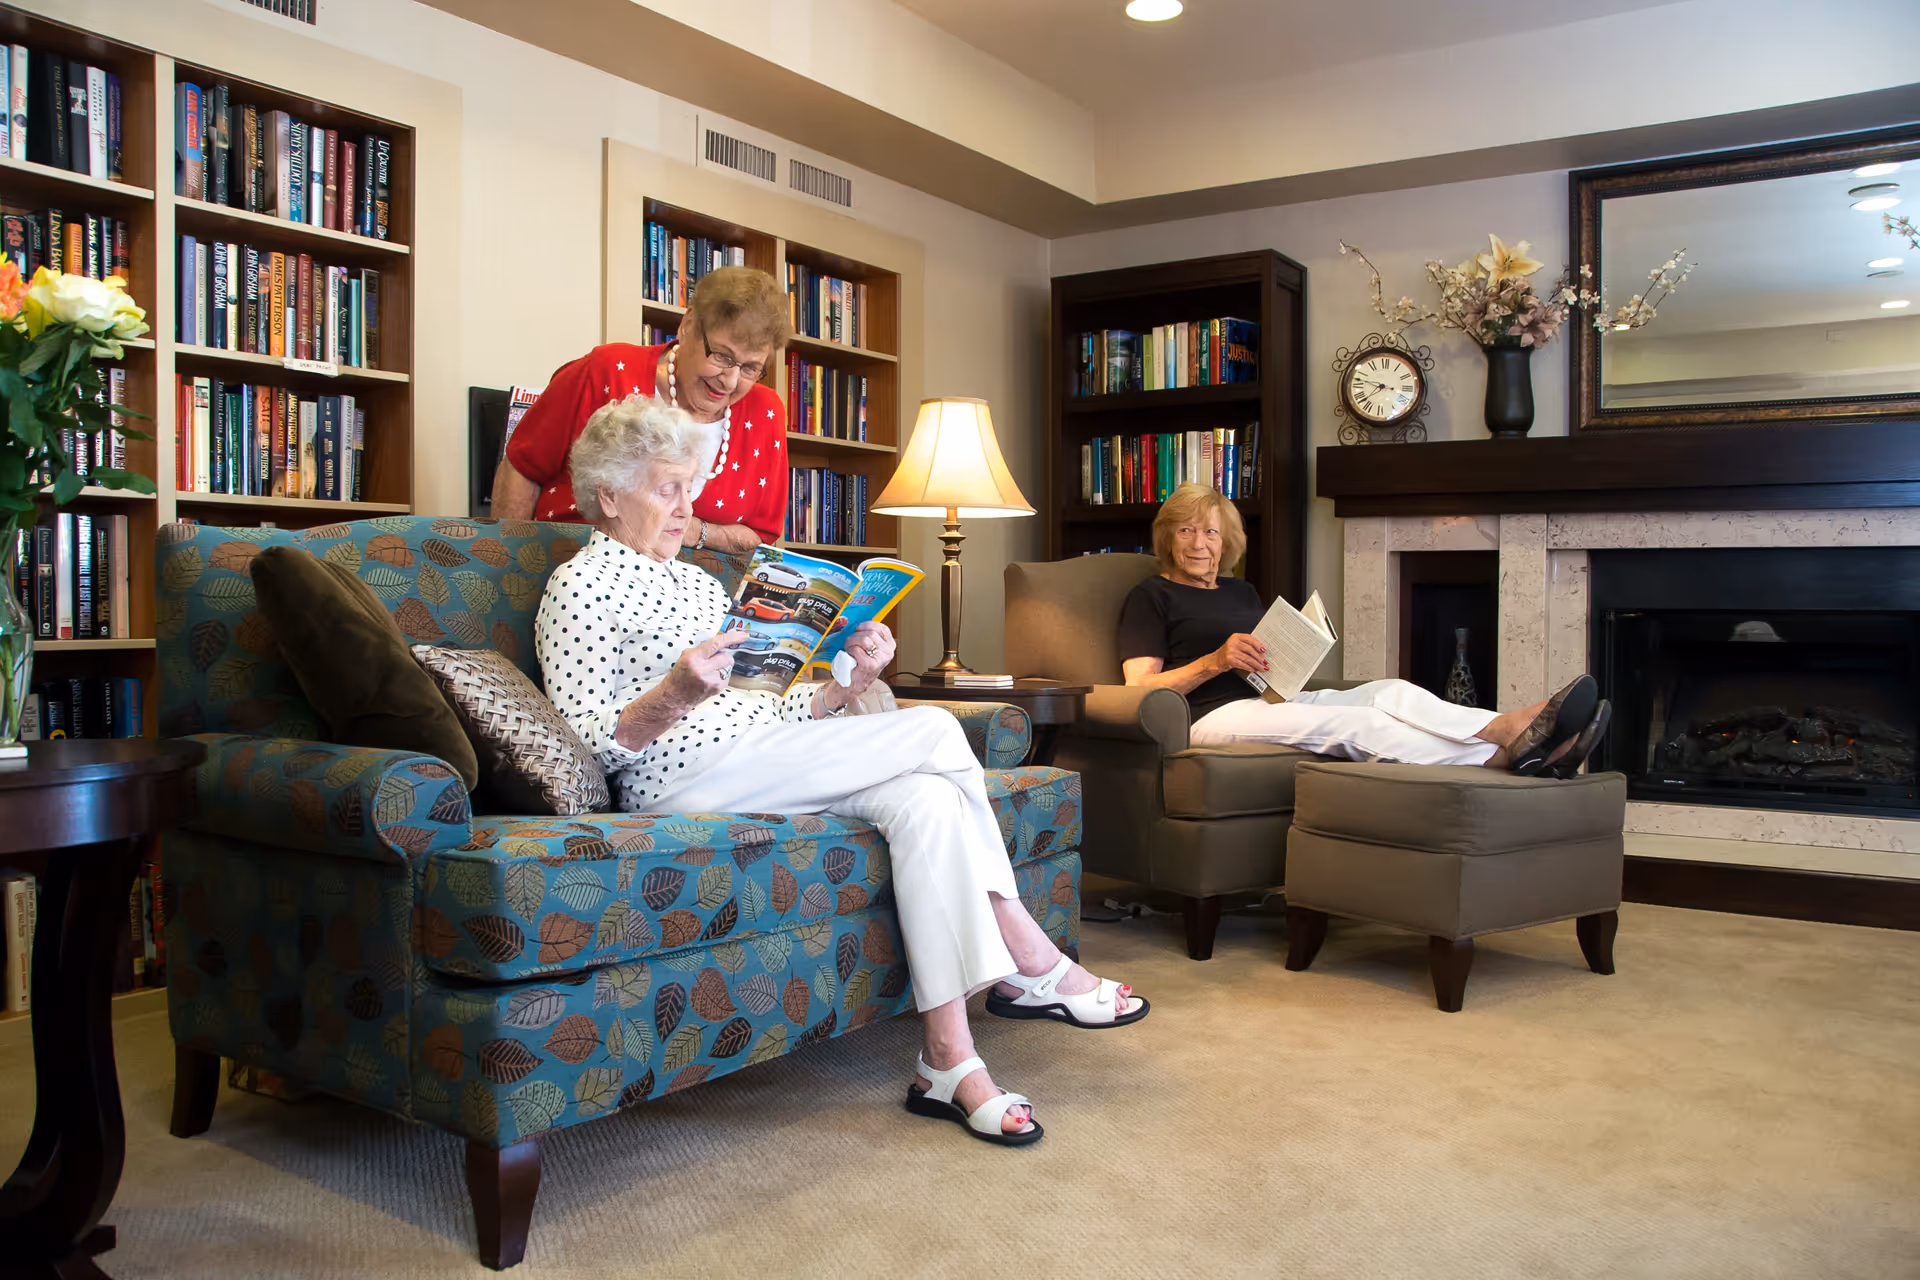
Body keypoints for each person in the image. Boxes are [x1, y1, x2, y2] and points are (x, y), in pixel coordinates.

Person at [537, 395, 1148, 1147]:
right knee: (927, 727)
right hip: (679, 782)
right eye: (668, 488)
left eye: (688, 485)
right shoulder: (579, 587)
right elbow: (585, 747)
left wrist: (841, 687)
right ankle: (1028, 951)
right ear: (609, 496)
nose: (687, 505)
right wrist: (672, 695)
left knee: (925, 799)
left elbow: (767, 707)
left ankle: (948, 1060)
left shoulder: (700, 582)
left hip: (762, 758)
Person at [1118, 483, 1609, 775]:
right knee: (1361, 724)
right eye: (1185, 530)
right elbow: (1137, 691)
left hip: (1268, 701)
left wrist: (1291, 658)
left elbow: (1262, 667)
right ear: (1168, 536)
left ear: (1226, 542)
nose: (1198, 543)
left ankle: (1511, 735)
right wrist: (1213, 661)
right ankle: (1500, 754)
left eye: (1210, 532)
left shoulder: (1240, 593)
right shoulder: (1151, 596)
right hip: (1208, 717)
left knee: (1389, 692)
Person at [493, 265, 791, 555]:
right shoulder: (607, 370)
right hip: (576, 570)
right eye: (722, 356)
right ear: (688, 326)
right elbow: (523, 467)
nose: (731, 380)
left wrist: (697, 532)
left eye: (751, 367)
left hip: (688, 593)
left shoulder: (766, 413)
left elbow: (760, 535)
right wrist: (509, 566)